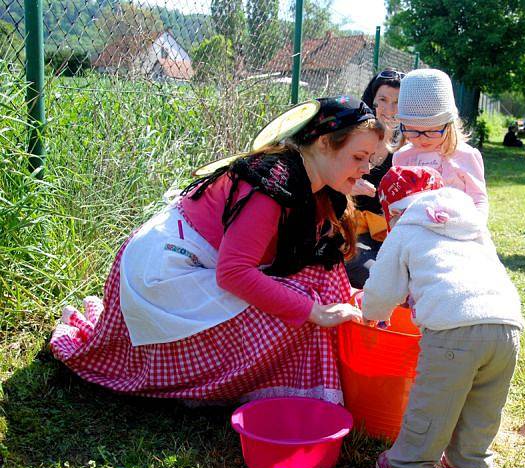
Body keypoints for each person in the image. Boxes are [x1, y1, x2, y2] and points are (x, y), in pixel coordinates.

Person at [49, 96, 385, 403]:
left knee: (320, 277)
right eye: (358, 157)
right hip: (163, 273)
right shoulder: (273, 184)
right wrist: (315, 311)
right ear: (324, 143)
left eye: (370, 158)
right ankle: (227, 381)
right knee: (303, 305)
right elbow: (234, 274)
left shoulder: (311, 178)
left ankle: (327, 375)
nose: (367, 168)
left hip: (195, 262)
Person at [362, 166, 525, 468]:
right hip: (506, 324)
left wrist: (373, 313)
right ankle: (470, 464)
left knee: (433, 402)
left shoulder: (405, 229)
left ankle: (406, 467)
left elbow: (382, 289)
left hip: (454, 332)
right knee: (484, 406)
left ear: (392, 211)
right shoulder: (471, 225)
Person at [392, 68, 489, 217]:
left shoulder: (466, 156)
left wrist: (475, 227)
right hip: (416, 234)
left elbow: (478, 199)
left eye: (431, 131)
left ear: (449, 126)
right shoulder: (402, 158)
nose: (422, 138)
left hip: (458, 232)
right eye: (412, 131)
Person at [345, 68, 404, 289]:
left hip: (395, 233)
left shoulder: (410, 147)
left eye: (397, 102)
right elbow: (325, 185)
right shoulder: (352, 139)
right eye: (383, 100)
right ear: (371, 102)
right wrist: (347, 187)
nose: (390, 110)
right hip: (355, 230)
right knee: (371, 274)